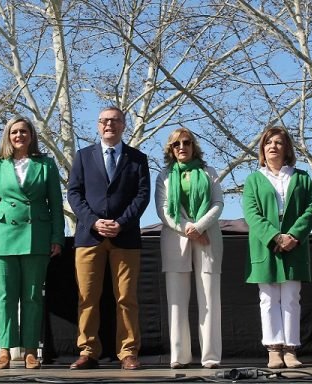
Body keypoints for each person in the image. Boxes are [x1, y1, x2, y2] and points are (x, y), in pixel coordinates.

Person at [0, 117, 65, 369]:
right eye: (14, 132)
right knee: (5, 296)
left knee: (33, 296)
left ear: (31, 135)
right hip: (3, 235)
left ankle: (30, 350)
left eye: (24, 131)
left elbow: (55, 205)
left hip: (36, 235)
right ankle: (4, 349)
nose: (19, 136)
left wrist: (57, 236)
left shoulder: (45, 164)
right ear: (8, 136)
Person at [66, 106, 151, 370]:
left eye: (114, 121)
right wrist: (93, 221)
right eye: (103, 121)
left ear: (124, 125)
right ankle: (88, 350)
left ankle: (127, 352)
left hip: (125, 238)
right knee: (87, 297)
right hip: (88, 238)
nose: (108, 125)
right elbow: (74, 194)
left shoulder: (138, 158)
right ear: (97, 125)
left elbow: (142, 195)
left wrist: (121, 223)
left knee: (126, 298)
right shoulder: (83, 157)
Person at [242, 127, 312, 370]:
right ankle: (274, 349)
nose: (273, 146)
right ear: (262, 149)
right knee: (269, 298)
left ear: (287, 148)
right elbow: (251, 213)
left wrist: (293, 235)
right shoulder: (254, 179)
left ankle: (291, 348)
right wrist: (274, 237)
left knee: (292, 298)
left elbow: (310, 209)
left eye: (278, 143)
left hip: (294, 245)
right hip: (266, 246)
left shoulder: (302, 177)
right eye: (268, 143)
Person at [154, 128, 224, 369]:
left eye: (186, 143)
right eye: (176, 144)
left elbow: (218, 203)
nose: (182, 147)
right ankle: (179, 356)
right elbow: (163, 210)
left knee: (209, 300)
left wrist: (200, 227)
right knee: (176, 301)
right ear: (170, 150)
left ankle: (211, 357)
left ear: (194, 146)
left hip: (208, 239)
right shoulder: (163, 175)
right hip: (176, 240)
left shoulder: (209, 172)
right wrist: (188, 229)